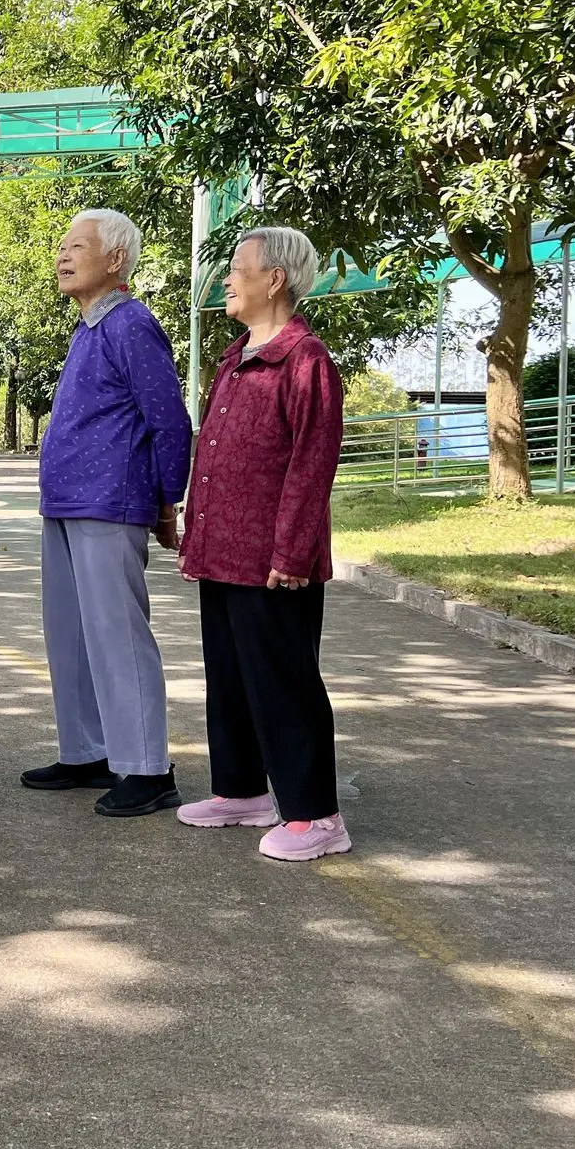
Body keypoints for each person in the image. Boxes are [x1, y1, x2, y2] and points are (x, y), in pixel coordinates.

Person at [176, 226, 350, 861]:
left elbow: (312, 464)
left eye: (236, 268)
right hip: (222, 551)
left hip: (274, 560)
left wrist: (292, 552)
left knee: (284, 682)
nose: (226, 279)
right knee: (228, 678)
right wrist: (195, 535)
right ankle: (242, 792)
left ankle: (317, 816)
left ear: (274, 279)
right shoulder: (235, 357)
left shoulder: (305, 360)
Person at [23, 208, 193, 817]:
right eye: (61, 246)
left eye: (77, 246)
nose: (62, 256)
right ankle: (88, 752)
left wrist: (168, 501)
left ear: (116, 258)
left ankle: (148, 768)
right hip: (66, 503)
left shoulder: (130, 323)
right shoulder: (89, 327)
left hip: (109, 502)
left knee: (118, 637)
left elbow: (169, 420)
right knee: (70, 636)